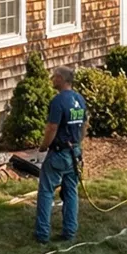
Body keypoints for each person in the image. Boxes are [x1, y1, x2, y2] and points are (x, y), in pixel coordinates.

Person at [34, 67, 87, 244]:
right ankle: (70, 231)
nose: (52, 79)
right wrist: (78, 143)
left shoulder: (58, 101)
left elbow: (52, 128)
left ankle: (42, 234)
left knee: (46, 191)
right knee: (71, 192)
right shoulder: (79, 99)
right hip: (74, 153)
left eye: (54, 77)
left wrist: (43, 146)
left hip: (58, 154)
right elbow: (85, 124)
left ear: (61, 79)